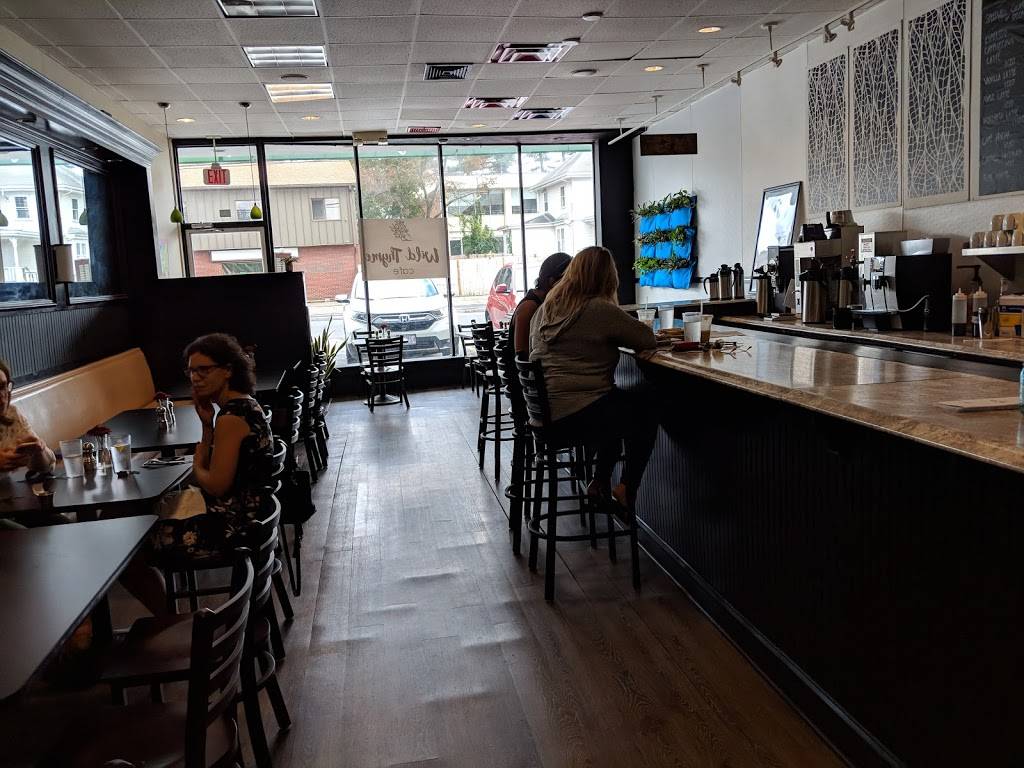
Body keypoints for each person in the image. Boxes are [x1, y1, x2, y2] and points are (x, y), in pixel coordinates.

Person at [125, 333, 274, 615]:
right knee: (144, 525)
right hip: (249, 517)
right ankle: (170, 619)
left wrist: (196, 467)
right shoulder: (244, 405)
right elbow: (213, 472)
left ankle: (170, 622)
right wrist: (207, 426)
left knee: (128, 550)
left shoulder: (232, 418)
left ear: (228, 370)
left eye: (204, 370)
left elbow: (215, 485)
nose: (195, 378)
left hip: (231, 527)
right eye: (191, 371)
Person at [529, 245, 657, 510]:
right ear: (607, 278)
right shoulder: (597, 309)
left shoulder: (545, 309)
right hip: (576, 416)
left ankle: (599, 483)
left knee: (613, 401)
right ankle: (626, 488)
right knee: (644, 411)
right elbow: (646, 339)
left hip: (544, 416)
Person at [0, 357, 56, 476]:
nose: (2, 395)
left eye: (3, 386)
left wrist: (39, 451)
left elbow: (49, 465)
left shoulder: (11, 414)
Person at [511, 252, 571, 355]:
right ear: (552, 281)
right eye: (567, 281)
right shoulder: (529, 307)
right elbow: (521, 354)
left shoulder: (544, 303)